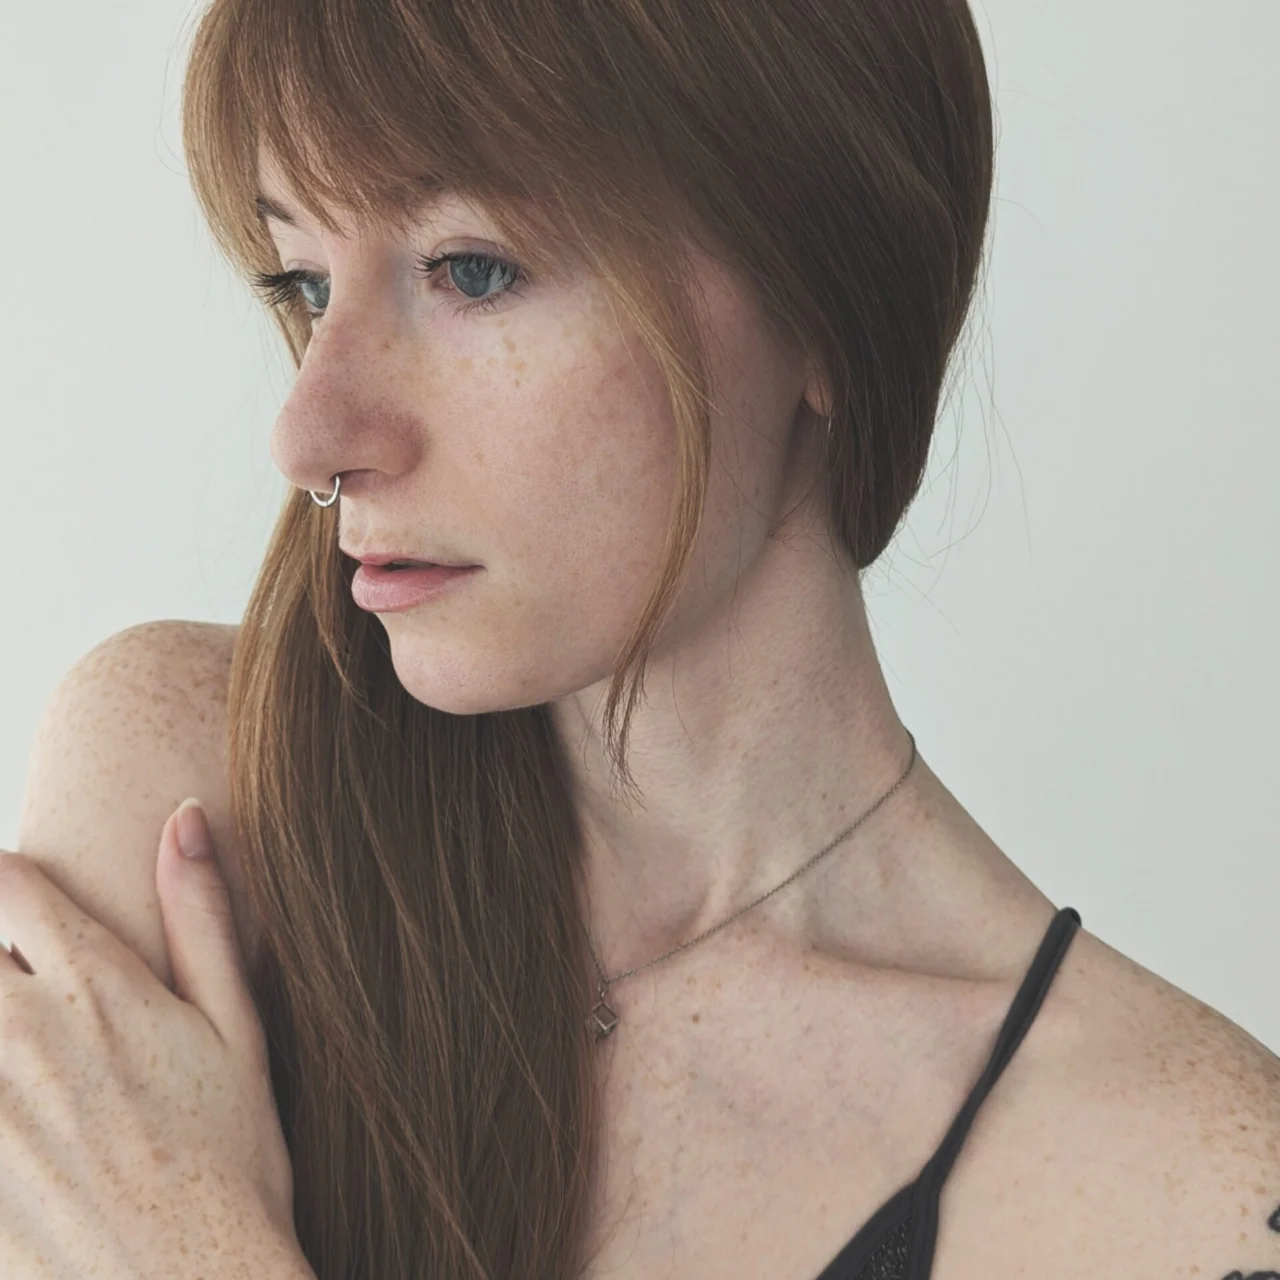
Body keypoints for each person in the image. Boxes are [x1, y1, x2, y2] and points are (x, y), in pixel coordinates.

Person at [15, 0, 1280, 1278]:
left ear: (822, 304)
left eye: (471, 270)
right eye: (305, 282)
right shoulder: (199, 800)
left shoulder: (1192, 1195)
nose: (308, 435)